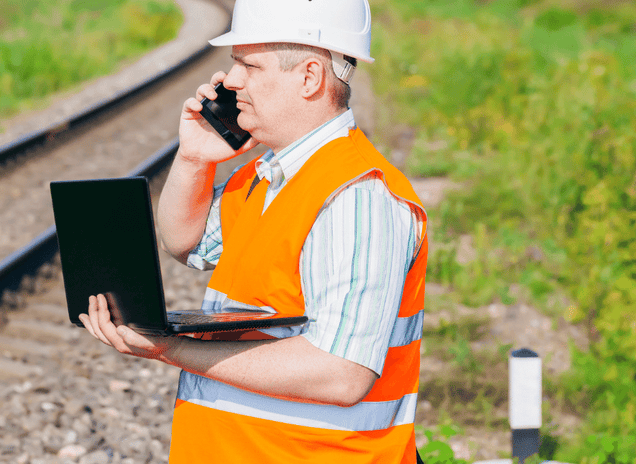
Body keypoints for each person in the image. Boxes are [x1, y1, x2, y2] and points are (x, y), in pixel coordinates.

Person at [79, 0, 428, 462]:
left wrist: (172, 350)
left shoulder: (357, 197)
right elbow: (185, 241)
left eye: (248, 64)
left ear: (309, 77)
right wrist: (194, 158)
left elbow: (341, 374)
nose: (230, 81)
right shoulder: (267, 178)